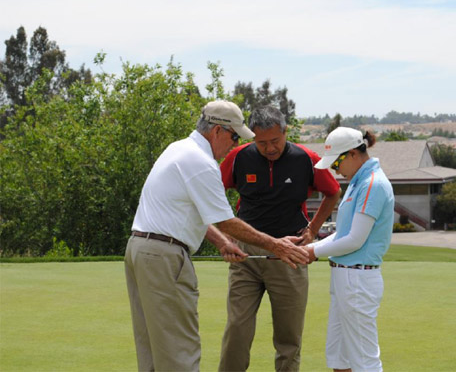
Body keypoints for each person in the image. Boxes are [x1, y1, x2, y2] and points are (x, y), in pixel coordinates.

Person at [124, 100, 309, 372]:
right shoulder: (201, 162)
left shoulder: (177, 149)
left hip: (140, 250)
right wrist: (275, 245)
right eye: (234, 137)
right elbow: (226, 221)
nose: (234, 145)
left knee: (153, 349)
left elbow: (199, 214)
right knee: (179, 351)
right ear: (218, 131)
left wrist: (222, 242)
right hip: (164, 256)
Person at [218, 106, 341, 371]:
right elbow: (212, 191)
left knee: (288, 338)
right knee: (237, 329)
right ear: (252, 138)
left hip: (290, 255)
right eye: (261, 143)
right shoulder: (239, 157)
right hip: (246, 256)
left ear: (285, 132)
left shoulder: (306, 158)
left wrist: (312, 230)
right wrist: (225, 236)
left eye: (275, 140)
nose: (269, 148)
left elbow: (333, 191)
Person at [305, 127, 394, 372]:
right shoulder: (358, 183)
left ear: (353, 154)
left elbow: (355, 240)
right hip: (345, 277)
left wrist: (313, 253)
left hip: (358, 279)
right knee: (339, 358)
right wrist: (309, 247)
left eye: (337, 164)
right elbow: (342, 233)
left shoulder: (372, 184)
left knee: (365, 361)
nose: (336, 170)